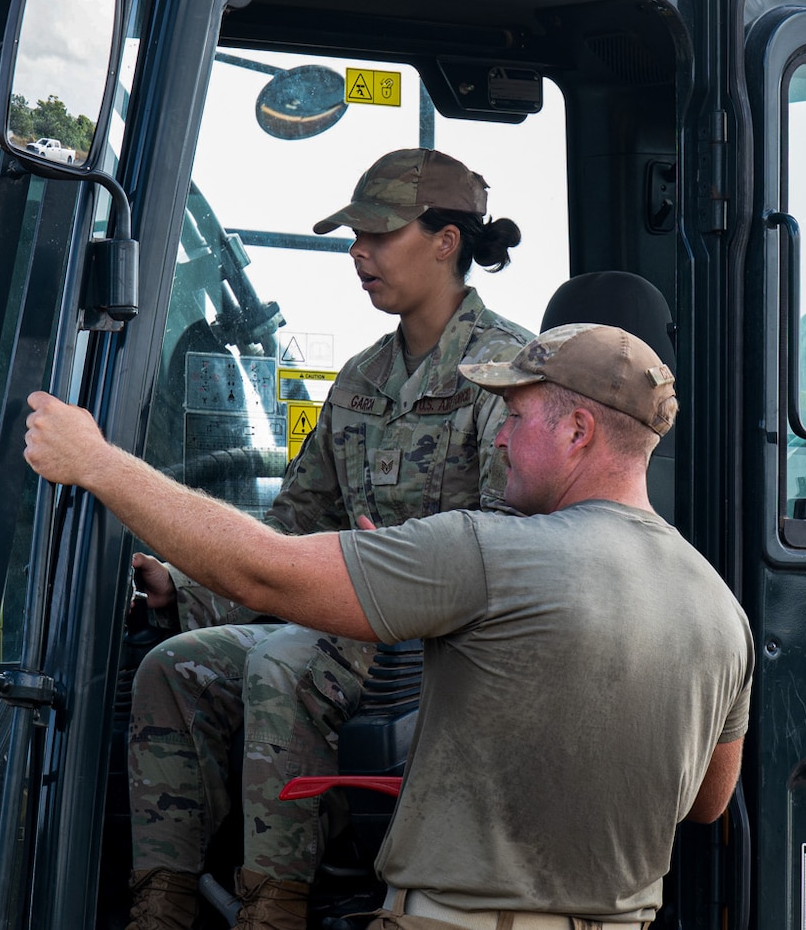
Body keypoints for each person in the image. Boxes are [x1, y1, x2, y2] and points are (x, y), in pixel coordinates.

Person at [27, 322, 753, 929]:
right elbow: (706, 800)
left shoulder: (488, 550)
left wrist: (96, 463)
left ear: (578, 428)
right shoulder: (722, 613)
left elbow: (263, 569)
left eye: (517, 416)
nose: (500, 440)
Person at [127, 148, 532, 930]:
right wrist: (187, 585)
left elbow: (513, 544)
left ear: (446, 241)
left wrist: (401, 568)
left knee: (283, 661)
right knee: (172, 668)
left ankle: (272, 909)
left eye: (379, 234)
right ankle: (161, 905)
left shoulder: (507, 371)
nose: (359, 252)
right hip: (349, 625)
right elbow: (290, 533)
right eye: (355, 236)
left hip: (441, 646)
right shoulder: (356, 381)